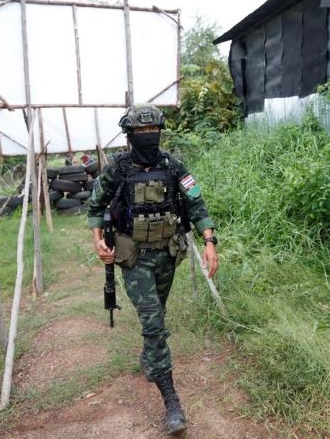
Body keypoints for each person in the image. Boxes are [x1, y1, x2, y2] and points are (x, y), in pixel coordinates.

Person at [87, 104, 219, 436]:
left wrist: (209, 240)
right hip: (135, 258)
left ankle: (150, 356)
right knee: (153, 321)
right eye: (141, 133)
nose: (148, 138)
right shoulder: (117, 168)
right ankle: (171, 401)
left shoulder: (174, 166)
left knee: (157, 311)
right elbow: (97, 203)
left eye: (153, 132)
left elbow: (196, 203)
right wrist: (98, 239)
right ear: (130, 135)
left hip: (167, 255)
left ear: (159, 132)